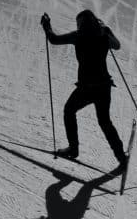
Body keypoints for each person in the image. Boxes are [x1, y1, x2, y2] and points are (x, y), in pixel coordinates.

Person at [40, 9, 127, 171]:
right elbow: (117, 46)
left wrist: (47, 26)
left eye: (78, 22)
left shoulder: (78, 35)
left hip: (86, 88)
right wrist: (106, 35)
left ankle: (73, 148)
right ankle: (121, 157)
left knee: (69, 111)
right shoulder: (104, 32)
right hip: (103, 87)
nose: (78, 25)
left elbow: (53, 40)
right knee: (104, 121)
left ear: (81, 23)